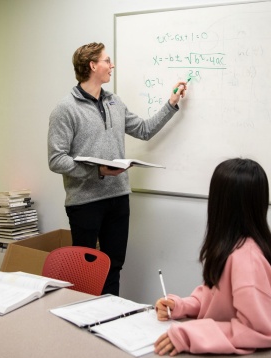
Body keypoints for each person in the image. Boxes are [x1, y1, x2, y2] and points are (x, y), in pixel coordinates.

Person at [48, 42, 188, 295]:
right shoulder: (65, 109)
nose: (112, 65)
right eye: (107, 60)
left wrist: (171, 103)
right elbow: (56, 159)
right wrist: (97, 171)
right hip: (84, 202)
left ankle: (109, 322)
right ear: (92, 65)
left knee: (114, 266)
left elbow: (144, 130)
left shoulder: (115, 102)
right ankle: (81, 327)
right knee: (84, 271)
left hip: (118, 198)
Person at [153, 158, 271, 356]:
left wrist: (190, 335)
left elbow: (260, 331)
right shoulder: (231, 247)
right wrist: (180, 306)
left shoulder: (246, 260)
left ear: (220, 204)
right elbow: (211, 297)